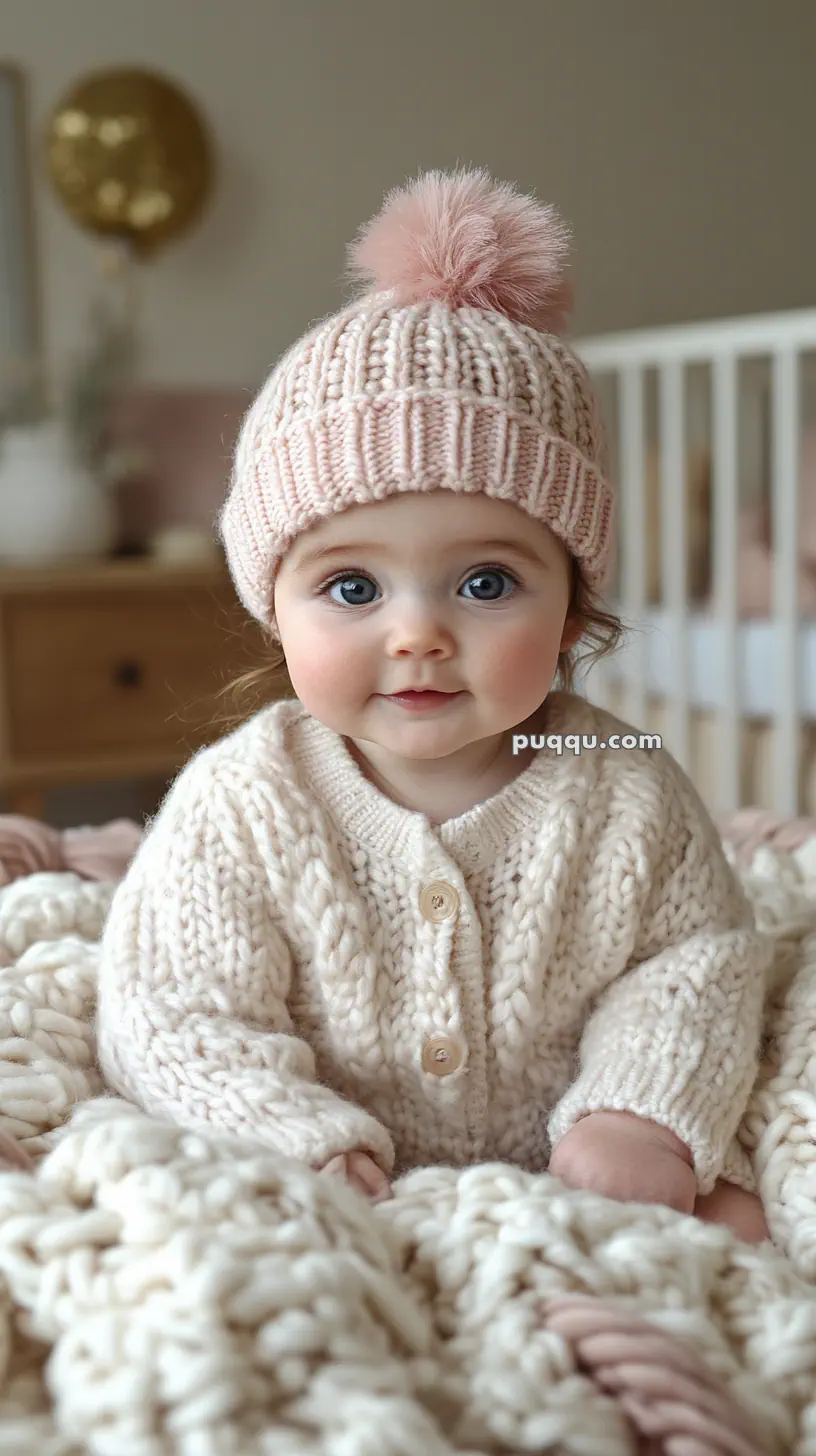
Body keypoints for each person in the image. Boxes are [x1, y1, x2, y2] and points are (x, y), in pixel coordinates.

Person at [95, 167, 772, 1244]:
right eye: (352, 588)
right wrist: (294, 1138)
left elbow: (700, 960)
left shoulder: (629, 781)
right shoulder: (243, 799)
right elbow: (169, 1011)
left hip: (571, 1197)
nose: (417, 633)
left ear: (571, 603)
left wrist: (637, 1114)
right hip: (343, 1203)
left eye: (487, 583)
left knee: (746, 1221)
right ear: (273, 608)